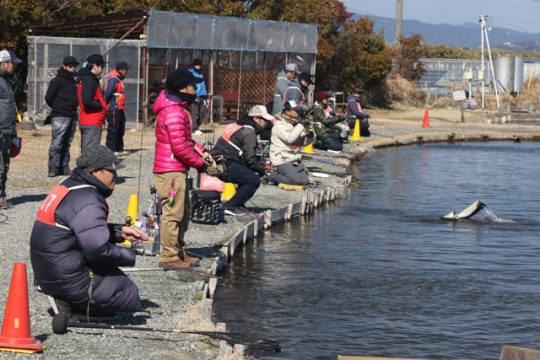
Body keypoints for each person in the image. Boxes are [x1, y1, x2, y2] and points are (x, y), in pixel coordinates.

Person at [30, 145, 146, 316]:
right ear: (94, 172)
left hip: (47, 270)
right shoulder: (89, 199)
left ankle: (68, 298)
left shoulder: (70, 185)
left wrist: (120, 232)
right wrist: (130, 255)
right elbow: (96, 249)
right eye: (111, 170)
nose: (116, 175)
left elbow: (80, 231)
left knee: (114, 278)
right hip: (63, 275)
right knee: (128, 295)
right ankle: (71, 304)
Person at [153, 68, 215, 269]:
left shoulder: (179, 108)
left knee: (183, 213)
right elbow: (179, 147)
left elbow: (186, 140)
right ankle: (169, 256)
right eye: (192, 85)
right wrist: (200, 165)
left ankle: (179, 251)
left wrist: (202, 151)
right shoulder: (173, 112)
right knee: (172, 214)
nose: (195, 88)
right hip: (170, 171)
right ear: (182, 88)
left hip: (177, 170)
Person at [211, 105, 273, 215]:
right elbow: (249, 159)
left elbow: (245, 155)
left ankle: (238, 204)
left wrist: (261, 162)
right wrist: (263, 171)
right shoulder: (249, 132)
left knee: (248, 174)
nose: (266, 123)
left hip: (218, 162)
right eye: (265, 120)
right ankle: (231, 205)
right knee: (253, 180)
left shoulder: (239, 125)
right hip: (224, 165)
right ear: (256, 119)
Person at [45, 55, 79, 177]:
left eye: (75, 66)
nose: (73, 68)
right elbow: (48, 97)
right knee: (57, 143)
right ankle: (53, 168)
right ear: (64, 66)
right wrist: (58, 107)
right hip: (60, 115)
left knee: (67, 143)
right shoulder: (57, 81)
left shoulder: (73, 81)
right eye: (71, 66)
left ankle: (64, 167)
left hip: (72, 114)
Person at [267, 101, 315, 186]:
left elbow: (301, 143)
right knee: (296, 181)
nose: (298, 112)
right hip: (281, 159)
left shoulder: (294, 124)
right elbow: (290, 139)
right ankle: (270, 175)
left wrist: (311, 135)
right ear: (287, 111)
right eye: (295, 110)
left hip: (293, 158)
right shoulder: (279, 125)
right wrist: (301, 125)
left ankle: (282, 174)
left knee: (304, 181)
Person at [0, 49, 21, 209]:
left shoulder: (5, 80)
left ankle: (2, 197)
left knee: (5, 166)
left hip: (7, 130)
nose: (14, 66)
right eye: (12, 63)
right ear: (4, 63)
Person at [77, 54, 107, 153]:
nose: (103, 69)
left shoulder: (88, 78)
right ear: (94, 66)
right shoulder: (89, 80)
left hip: (91, 121)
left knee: (89, 150)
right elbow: (87, 101)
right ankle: (88, 168)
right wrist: (101, 106)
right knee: (90, 152)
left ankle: (88, 167)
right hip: (91, 121)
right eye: (102, 66)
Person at [104, 61, 129, 155]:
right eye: (126, 70)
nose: (126, 72)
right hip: (113, 108)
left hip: (119, 108)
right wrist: (105, 107)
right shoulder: (113, 79)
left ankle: (119, 148)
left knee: (120, 128)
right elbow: (108, 93)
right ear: (122, 70)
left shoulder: (118, 79)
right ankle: (111, 149)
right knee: (113, 129)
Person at [186, 58, 207, 136]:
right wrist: (193, 95)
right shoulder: (190, 72)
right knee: (195, 113)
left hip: (202, 95)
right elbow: (190, 85)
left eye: (199, 65)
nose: (198, 66)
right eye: (196, 65)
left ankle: (196, 127)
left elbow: (203, 85)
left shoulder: (200, 74)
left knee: (203, 112)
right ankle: (194, 129)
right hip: (195, 95)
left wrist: (205, 97)